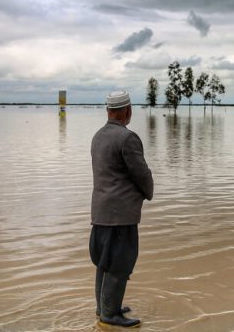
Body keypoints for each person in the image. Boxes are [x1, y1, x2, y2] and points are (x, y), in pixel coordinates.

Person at [90, 90, 154, 328]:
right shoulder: (127, 138)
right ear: (128, 111)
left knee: (104, 262)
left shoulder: (98, 136)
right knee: (120, 262)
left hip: (100, 213)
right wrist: (149, 192)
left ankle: (104, 308)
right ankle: (110, 315)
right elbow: (142, 173)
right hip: (120, 216)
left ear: (108, 111)